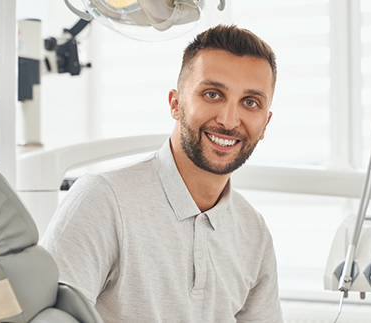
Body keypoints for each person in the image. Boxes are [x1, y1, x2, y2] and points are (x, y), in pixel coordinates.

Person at [41, 24, 283, 322]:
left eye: (250, 102)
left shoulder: (254, 232)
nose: (229, 120)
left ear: (265, 123)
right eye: (212, 94)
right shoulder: (103, 200)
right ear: (176, 103)